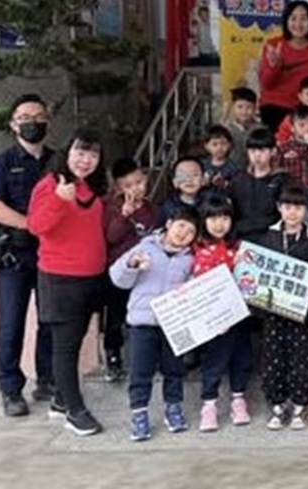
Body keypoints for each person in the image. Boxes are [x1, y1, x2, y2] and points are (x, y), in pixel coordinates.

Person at [27, 128, 108, 436]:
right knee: (66, 348)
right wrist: (59, 201)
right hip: (61, 279)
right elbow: (36, 226)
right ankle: (75, 411)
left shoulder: (90, 187)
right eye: (80, 152)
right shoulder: (50, 185)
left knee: (76, 339)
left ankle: (61, 401)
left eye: (93, 154)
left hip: (90, 277)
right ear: (67, 153)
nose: (86, 160)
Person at [0, 93, 54, 417]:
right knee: (11, 322)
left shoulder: (58, 161)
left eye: (38, 117)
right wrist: (33, 225)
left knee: (49, 320)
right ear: (13, 125)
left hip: (52, 255)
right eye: (24, 118)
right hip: (14, 255)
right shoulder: (1, 162)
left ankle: (48, 380)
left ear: (48, 122)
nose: (31, 123)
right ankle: (11, 389)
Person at [109, 208, 199, 442]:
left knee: (174, 369)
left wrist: (190, 287)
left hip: (173, 324)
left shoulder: (190, 259)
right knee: (141, 370)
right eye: (181, 226)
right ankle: (139, 413)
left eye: (190, 231)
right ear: (168, 224)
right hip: (142, 323)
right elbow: (118, 279)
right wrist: (131, 264)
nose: (184, 233)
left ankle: (173, 407)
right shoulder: (145, 248)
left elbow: (195, 290)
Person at [257, 185, 308, 431]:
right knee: (273, 358)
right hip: (273, 311)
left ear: (306, 210)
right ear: (279, 208)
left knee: (303, 358)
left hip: (305, 312)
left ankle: (299, 406)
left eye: (298, 207)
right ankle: (277, 406)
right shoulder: (267, 237)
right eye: (287, 206)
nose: (292, 212)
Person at [192, 194, 252, 432]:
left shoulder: (239, 247)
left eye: (225, 218)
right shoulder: (195, 247)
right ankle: (209, 404)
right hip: (212, 317)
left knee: (242, 356)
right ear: (203, 220)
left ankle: (239, 399)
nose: (219, 224)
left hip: (239, 313)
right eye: (213, 218)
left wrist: (243, 262)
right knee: (214, 360)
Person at [102, 157, 158, 383]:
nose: (136, 188)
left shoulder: (152, 209)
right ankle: (113, 356)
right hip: (119, 271)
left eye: (139, 182)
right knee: (116, 315)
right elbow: (111, 237)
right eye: (128, 185)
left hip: (145, 272)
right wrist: (124, 215)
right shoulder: (111, 207)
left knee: (144, 314)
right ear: (118, 187)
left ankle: (147, 357)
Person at [258, 0, 308, 134]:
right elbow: (266, 84)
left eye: (303, 19)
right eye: (293, 18)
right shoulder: (274, 45)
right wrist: (273, 65)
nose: (298, 24)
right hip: (274, 107)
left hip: (304, 109)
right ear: (286, 21)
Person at [229, 127, 295, 241]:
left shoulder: (282, 180)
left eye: (262, 150)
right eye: (252, 151)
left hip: (272, 236)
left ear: (273, 151)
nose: (257, 155)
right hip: (241, 236)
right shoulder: (238, 179)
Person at [157, 156, 209, 226]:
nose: (189, 180)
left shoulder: (213, 201)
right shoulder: (167, 206)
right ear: (175, 182)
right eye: (183, 176)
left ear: (203, 179)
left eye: (195, 175)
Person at [224, 87, 262, 166]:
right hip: (231, 168)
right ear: (233, 107)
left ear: (255, 108)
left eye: (248, 107)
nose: (244, 111)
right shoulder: (226, 129)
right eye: (240, 107)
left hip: (255, 168)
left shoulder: (260, 129)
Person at [201, 124, 242, 189]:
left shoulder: (235, 168)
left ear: (229, 145)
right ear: (207, 146)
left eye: (223, 143)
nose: (219, 148)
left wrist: (225, 184)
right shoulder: (201, 166)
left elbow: (239, 188)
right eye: (215, 144)